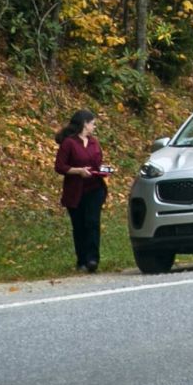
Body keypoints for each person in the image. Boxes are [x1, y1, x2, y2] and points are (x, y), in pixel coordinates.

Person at [53, 110, 113, 273]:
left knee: (92, 222)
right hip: (76, 191)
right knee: (79, 226)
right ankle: (82, 260)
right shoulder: (69, 143)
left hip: (95, 188)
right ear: (85, 124)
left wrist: (104, 170)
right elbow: (60, 166)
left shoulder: (94, 143)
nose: (94, 126)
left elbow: (97, 163)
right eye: (93, 123)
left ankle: (93, 259)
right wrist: (78, 171)